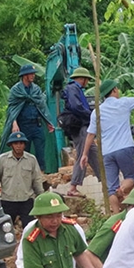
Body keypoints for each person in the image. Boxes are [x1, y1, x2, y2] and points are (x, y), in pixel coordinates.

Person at [80, 77, 134, 214]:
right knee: (130, 179)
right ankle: (122, 191)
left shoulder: (96, 112)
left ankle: (115, 217)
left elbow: (90, 134)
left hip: (107, 152)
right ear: (114, 90)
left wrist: (84, 154)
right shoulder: (124, 103)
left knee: (110, 188)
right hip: (124, 148)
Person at [0, 64, 55, 171]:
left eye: (33, 73)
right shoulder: (16, 90)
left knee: (40, 152)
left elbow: (42, 107)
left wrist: (48, 122)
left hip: (36, 125)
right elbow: (12, 109)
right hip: (23, 126)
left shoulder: (36, 89)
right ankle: (26, 175)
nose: (33, 76)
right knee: (25, 153)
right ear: (24, 76)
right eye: (31, 74)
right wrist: (14, 123)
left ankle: (41, 174)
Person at [60, 67, 100, 197]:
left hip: (82, 125)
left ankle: (107, 181)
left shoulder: (76, 89)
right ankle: (73, 186)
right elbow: (76, 106)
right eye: (87, 80)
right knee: (84, 154)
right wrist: (91, 115)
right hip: (80, 126)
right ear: (82, 79)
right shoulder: (73, 89)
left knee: (93, 153)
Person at [0, 131, 44, 227]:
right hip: (8, 200)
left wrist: (41, 197)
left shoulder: (31, 159)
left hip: (26, 200)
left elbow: (36, 180)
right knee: (6, 228)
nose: (18, 146)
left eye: (21, 143)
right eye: (16, 143)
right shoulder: (3, 159)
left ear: (24, 145)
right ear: (11, 145)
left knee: (30, 227)